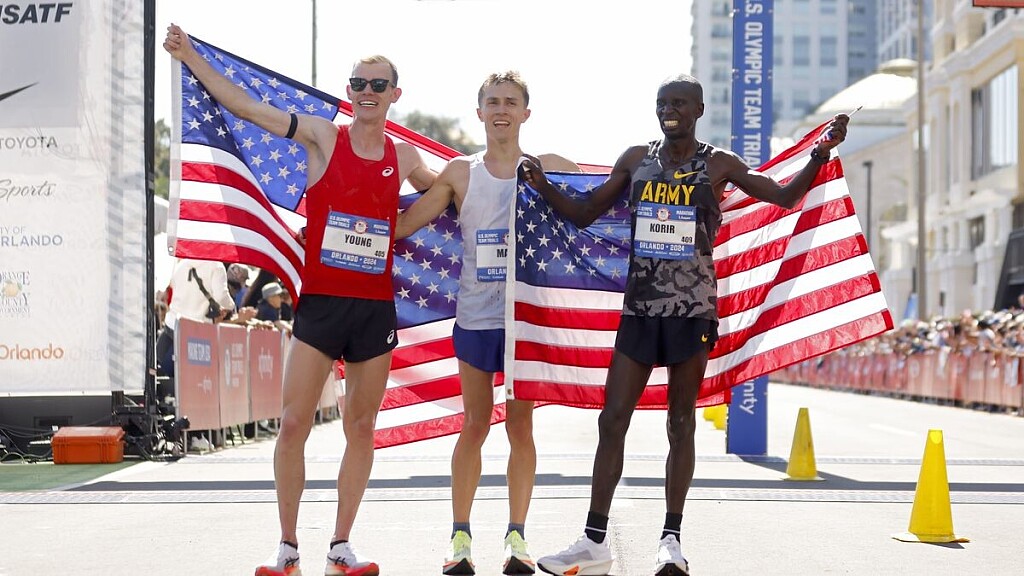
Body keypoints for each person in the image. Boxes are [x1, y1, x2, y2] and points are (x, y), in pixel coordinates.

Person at [521, 74, 849, 576]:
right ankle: (593, 542)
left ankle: (671, 541)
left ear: (698, 110)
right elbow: (586, 213)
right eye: (661, 103)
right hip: (639, 309)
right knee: (612, 419)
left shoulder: (719, 163)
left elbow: (783, 196)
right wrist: (543, 185)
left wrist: (819, 154)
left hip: (692, 310)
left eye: (678, 103)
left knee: (680, 422)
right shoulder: (636, 158)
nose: (668, 110)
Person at [164, 25, 435, 576]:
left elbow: (445, 190)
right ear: (349, 89)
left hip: (373, 309)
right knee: (292, 424)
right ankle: (287, 546)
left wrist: (480, 178)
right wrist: (190, 55)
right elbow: (247, 108)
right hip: (321, 306)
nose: (367, 92)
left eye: (377, 85)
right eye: (358, 83)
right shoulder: (323, 136)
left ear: (394, 94)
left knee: (361, 428)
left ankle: (341, 546)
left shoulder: (404, 156)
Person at [395, 71, 578, 576]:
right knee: (475, 425)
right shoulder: (461, 172)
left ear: (526, 113)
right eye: (493, 102)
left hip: (525, 321)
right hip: (476, 316)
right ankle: (460, 537)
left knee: (521, 426)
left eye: (511, 102)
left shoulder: (547, 168)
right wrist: (335, 227)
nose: (501, 109)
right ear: (479, 112)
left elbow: (598, 198)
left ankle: (517, 537)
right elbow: (407, 224)